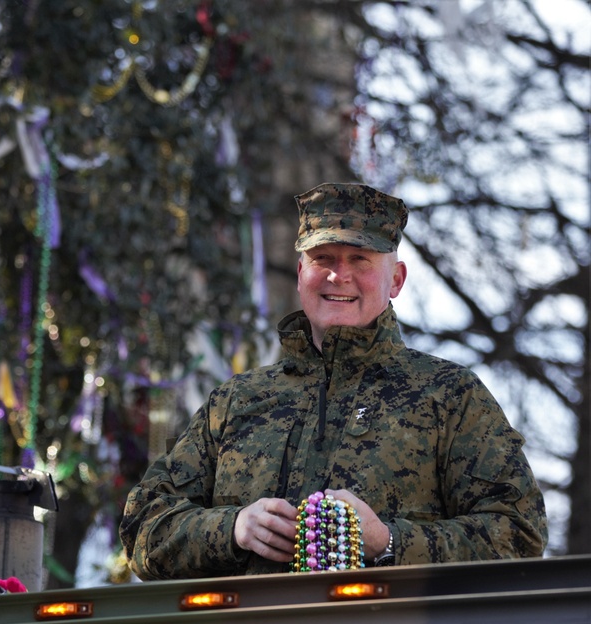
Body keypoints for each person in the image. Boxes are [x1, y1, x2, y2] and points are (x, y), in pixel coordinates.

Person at [119, 182, 548, 580]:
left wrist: (387, 542)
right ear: (302, 271)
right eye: (322, 258)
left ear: (395, 279)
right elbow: (143, 526)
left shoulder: (449, 395)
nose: (337, 275)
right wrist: (233, 529)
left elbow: (519, 535)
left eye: (359, 259)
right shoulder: (235, 401)